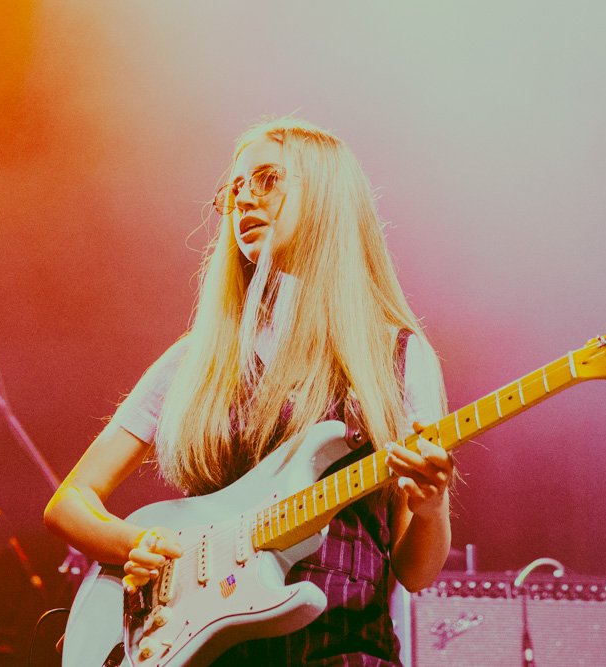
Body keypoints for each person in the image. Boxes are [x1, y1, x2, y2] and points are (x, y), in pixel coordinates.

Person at [44, 117, 453, 665]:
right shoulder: (198, 358)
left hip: (344, 651)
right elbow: (70, 501)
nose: (244, 199)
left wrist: (430, 509)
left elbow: (415, 571)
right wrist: (134, 546)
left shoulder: (397, 357)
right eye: (235, 188)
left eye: (267, 180)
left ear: (327, 197)